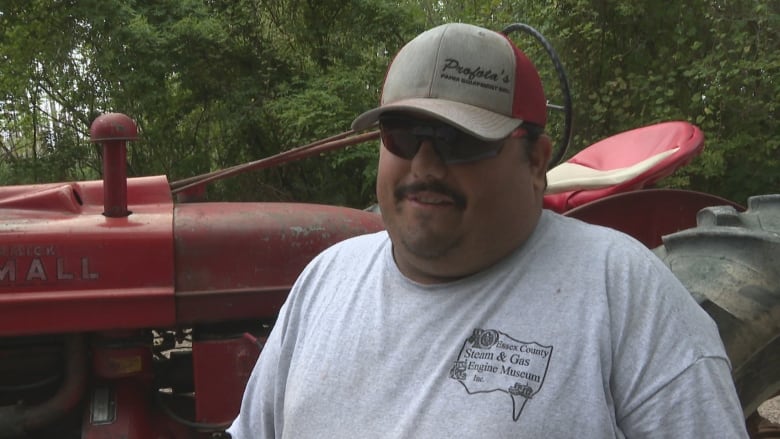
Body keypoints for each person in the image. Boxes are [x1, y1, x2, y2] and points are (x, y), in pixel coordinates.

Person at [227, 22, 748, 438]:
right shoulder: (326, 280)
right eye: (404, 135)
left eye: (460, 139)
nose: (425, 164)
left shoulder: (624, 293)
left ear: (536, 162)